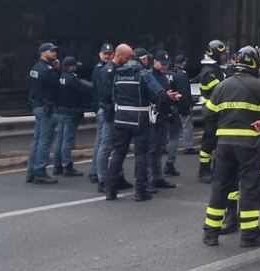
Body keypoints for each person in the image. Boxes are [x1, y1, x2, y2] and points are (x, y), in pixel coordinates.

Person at [202, 47, 260, 247]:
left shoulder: (222, 86)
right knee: (248, 187)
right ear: (257, 65)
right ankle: (249, 235)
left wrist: (220, 131)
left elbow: (207, 114)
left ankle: (210, 233)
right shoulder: (259, 86)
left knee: (220, 187)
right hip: (249, 144)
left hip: (224, 144)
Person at [105, 44, 179, 201]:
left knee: (118, 154)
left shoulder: (117, 74)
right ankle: (140, 191)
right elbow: (158, 93)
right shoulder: (143, 74)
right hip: (139, 118)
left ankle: (110, 190)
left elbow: (112, 96)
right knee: (141, 155)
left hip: (120, 118)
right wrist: (167, 96)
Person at [91, 43, 128, 192]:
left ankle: (117, 176)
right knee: (105, 146)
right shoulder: (105, 71)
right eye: (104, 53)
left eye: (109, 53)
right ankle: (103, 180)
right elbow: (105, 95)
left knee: (117, 147)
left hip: (116, 112)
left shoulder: (116, 69)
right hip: (108, 112)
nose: (107, 56)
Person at [26, 42, 61, 185]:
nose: (54, 53)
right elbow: (58, 86)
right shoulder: (47, 70)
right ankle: (40, 170)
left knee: (37, 139)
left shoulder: (35, 68)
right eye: (51, 51)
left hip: (37, 105)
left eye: (55, 51)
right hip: (47, 107)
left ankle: (31, 171)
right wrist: (57, 70)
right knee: (45, 141)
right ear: (43, 52)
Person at [195, 39, 229, 183]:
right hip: (211, 112)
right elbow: (220, 90)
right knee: (209, 142)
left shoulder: (215, 69)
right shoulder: (209, 72)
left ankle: (215, 169)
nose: (224, 56)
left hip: (216, 111)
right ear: (215, 54)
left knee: (216, 141)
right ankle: (204, 171)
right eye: (222, 54)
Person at [144, 52, 179, 192]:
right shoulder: (148, 76)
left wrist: (172, 101)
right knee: (151, 149)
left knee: (159, 149)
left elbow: (165, 94)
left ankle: (157, 177)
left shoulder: (163, 76)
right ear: (155, 62)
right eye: (162, 63)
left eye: (166, 64)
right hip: (153, 116)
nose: (165, 66)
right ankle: (148, 179)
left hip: (163, 115)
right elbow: (152, 95)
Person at [53, 56, 93, 177]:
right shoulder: (72, 79)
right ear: (70, 66)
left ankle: (57, 165)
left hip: (60, 110)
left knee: (59, 139)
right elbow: (84, 91)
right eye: (74, 66)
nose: (76, 68)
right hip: (70, 112)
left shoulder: (59, 77)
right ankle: (67, 165)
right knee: (67, 140)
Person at [167, 54, 193, 174]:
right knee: (177, 134)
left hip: (166, 108)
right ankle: (170, 162)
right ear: (183, 63)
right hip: (177, 107)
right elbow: (184, 94)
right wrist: (186, 110)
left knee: (168, 133)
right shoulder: (182, 75)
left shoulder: (168, 73)